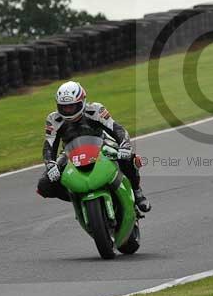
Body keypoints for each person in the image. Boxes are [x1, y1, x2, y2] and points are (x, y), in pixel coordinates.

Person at [37, 80, 151, 213]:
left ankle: (137, 192)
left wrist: (124, 144)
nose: (68, 110)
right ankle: (77, 197)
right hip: (69, 152)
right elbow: (49, 145)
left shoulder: (95, 110)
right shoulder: (54, 119)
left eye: (72, 106)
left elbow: (116, 128)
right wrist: (50, 164)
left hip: (101, 144)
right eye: (64, 107)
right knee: (44, 184)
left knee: (129, 158)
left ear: (82, 102)